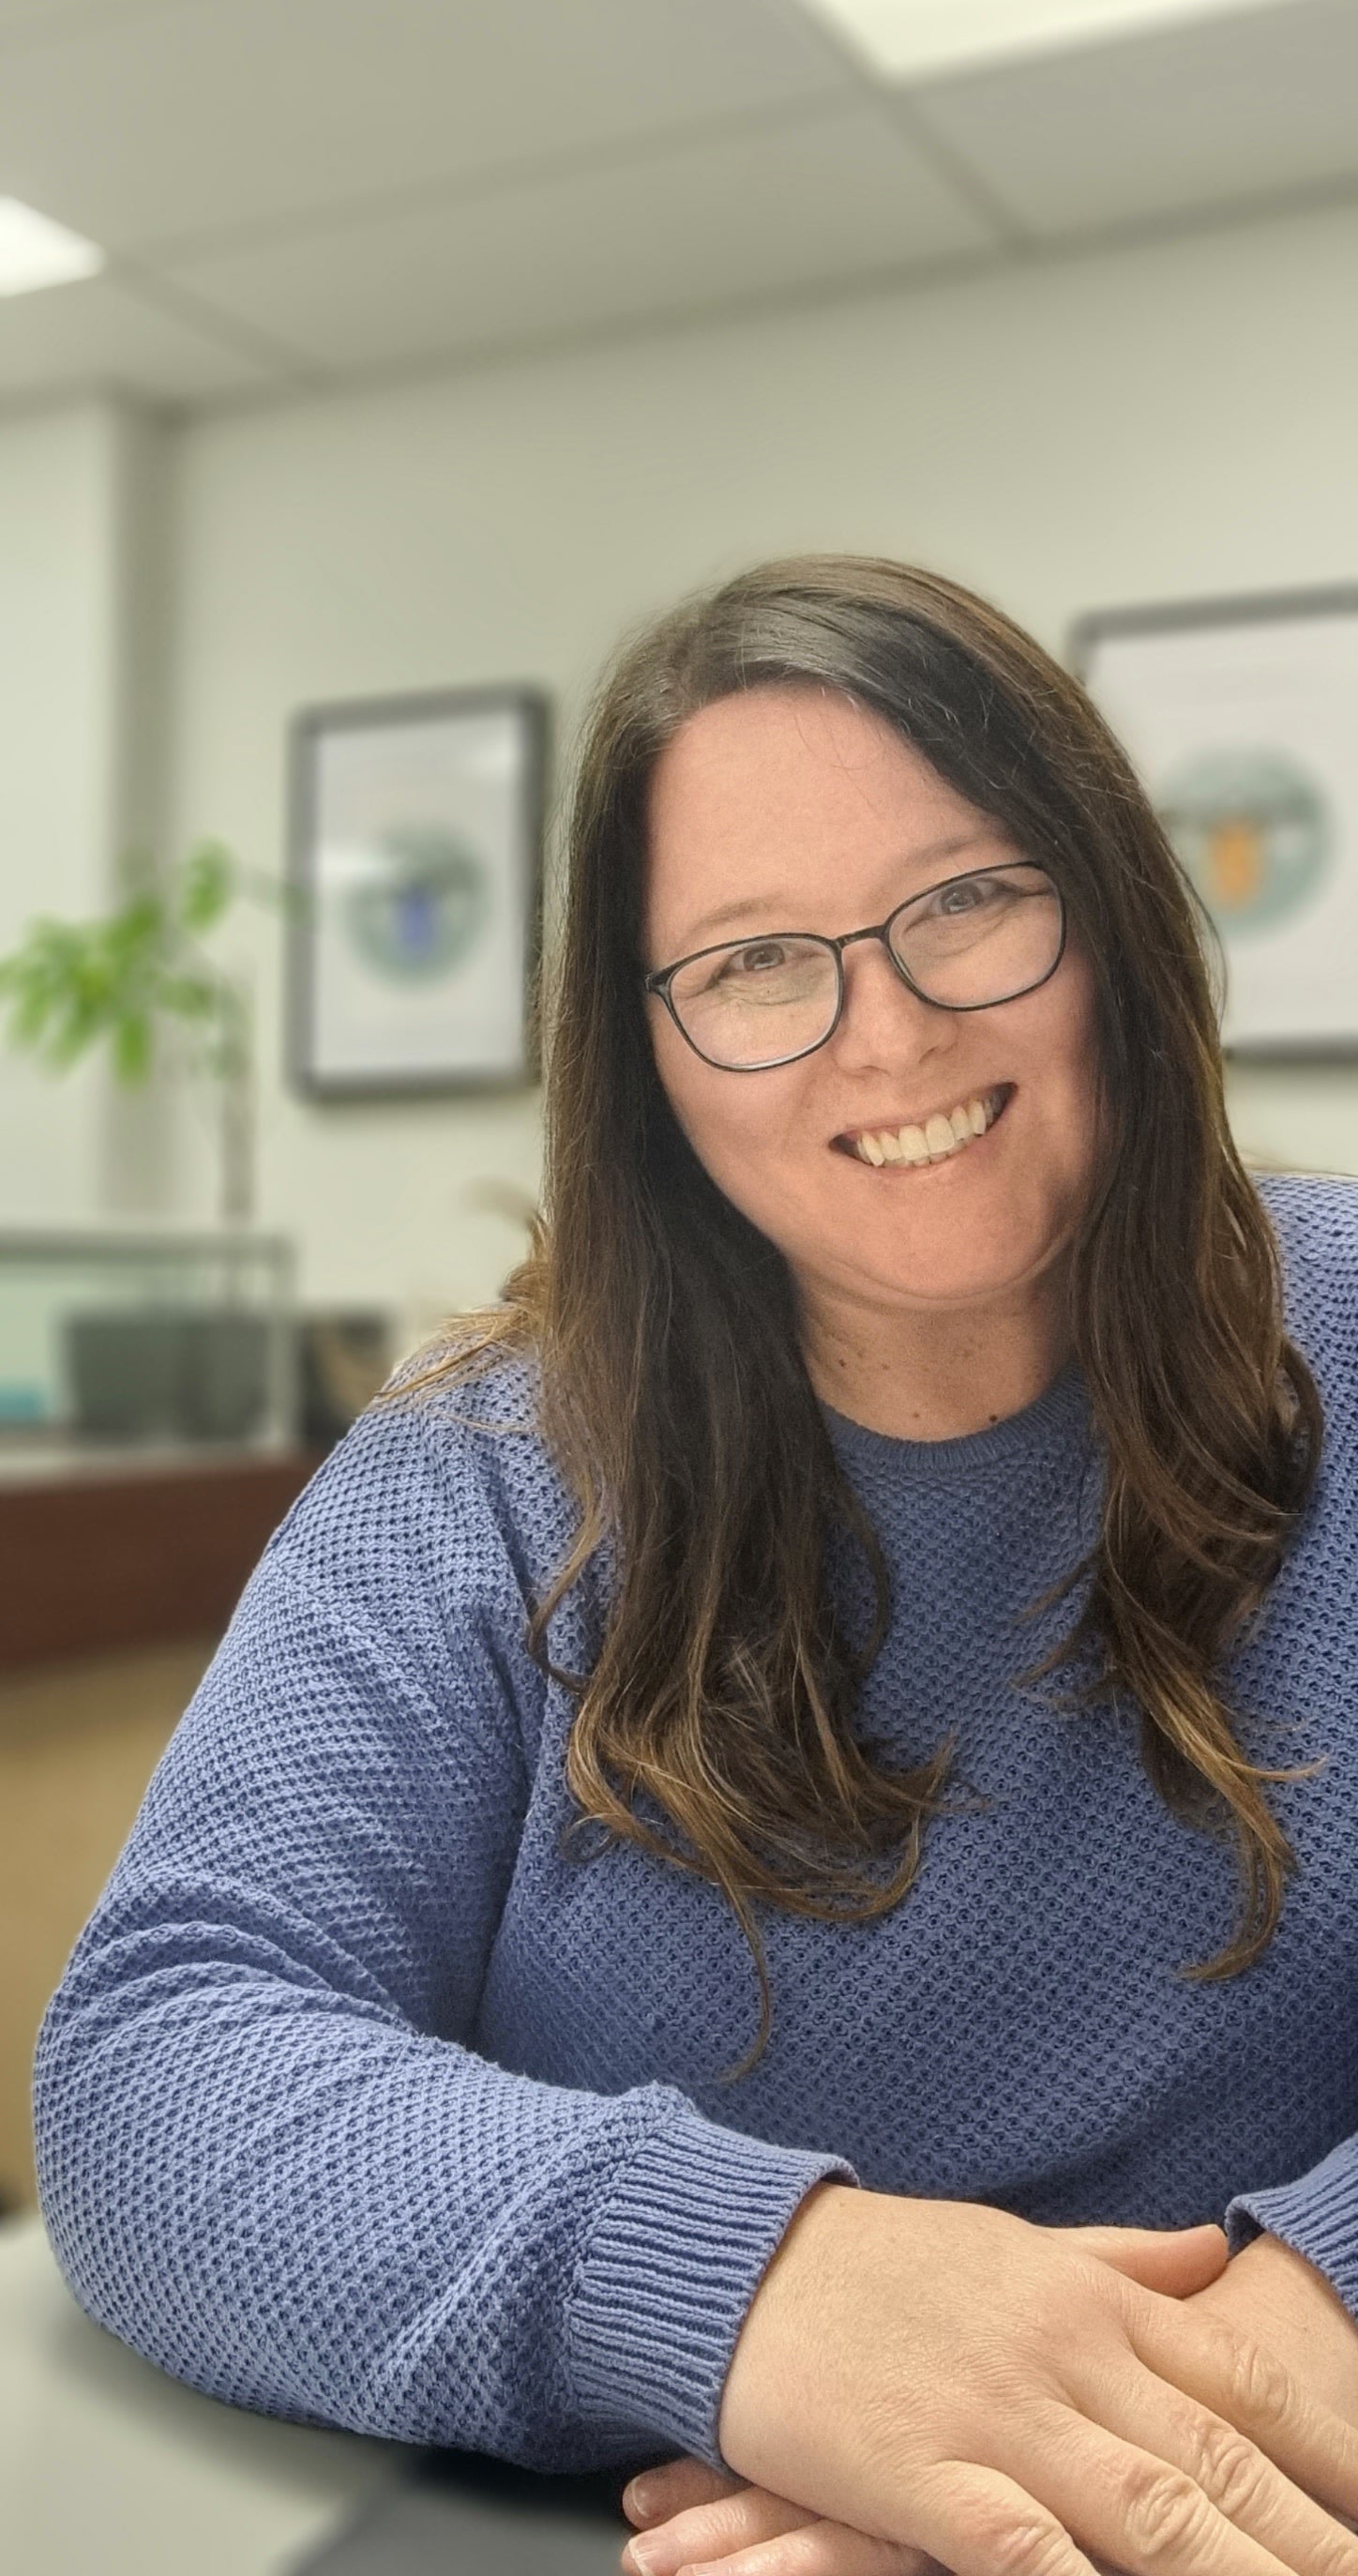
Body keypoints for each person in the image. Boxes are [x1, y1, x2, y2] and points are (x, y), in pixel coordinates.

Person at [34, 555, 1358, 2576]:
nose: (885, 1033)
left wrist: (1259, 2360)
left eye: (964, 901)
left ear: (1110, 913)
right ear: (642, 1052)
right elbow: (160, 2054)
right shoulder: (482, 1467)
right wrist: (761, 2298)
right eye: (752, 963)